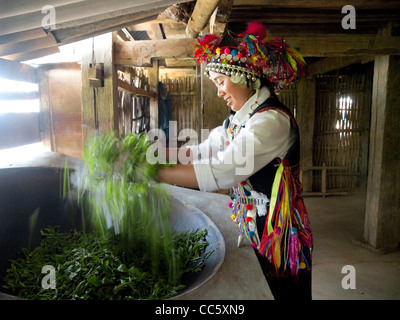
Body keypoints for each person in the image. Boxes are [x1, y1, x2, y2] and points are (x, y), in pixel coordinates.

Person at [158, 22, 313, 300]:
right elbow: (202, 151)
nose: (219, 92)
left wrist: (158, 174)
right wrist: (151, 154)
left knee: (282, 292)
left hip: (278, 233)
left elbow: (226, 170)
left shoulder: (271, 121)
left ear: (243, 77)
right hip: (250, 223)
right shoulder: (236, 121)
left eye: (221, 82)